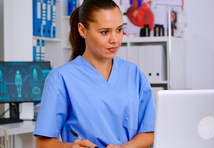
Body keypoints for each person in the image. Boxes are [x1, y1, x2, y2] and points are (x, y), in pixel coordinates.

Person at [33, 0, 156, 148]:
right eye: (105, 32)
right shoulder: (61, 78)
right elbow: (42, 142)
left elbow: (150, 131)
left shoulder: (134, 74)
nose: (115, 40)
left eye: (119, 30)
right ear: (82, 30)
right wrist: (69, 147)